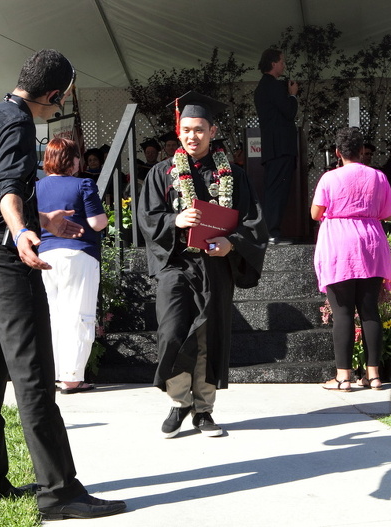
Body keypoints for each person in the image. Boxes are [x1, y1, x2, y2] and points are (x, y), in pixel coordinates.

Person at [0, 49, 125, 520]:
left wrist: (42, 219)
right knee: (33, 375)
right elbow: (8, 188)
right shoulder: (17, 121)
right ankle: (60, 493)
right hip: (5, 260)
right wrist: (20, 230)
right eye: (62, 98)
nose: (60, 105)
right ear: (53, 93)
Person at [137, 91, 268, 438]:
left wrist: (232, 243)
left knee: (209, 336)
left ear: (212, 131)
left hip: (215, 266)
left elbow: (253, 222)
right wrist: (175, 221)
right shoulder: (162, 173)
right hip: (176, 264)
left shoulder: (233, 175)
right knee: (172, 332)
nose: (192, 136)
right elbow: (147, 218)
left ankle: (204, 410)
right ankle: (180, 401)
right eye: (186, 129)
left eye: (199, 129)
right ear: (178, 131)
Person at [311, 127, 391, 391]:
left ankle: (343, 377)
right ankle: (374, 376)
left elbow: (316, 213)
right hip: (371, 242)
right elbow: (389, 213)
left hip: (339, 244)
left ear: (337, 152)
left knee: (343, 312)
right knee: (370, 310)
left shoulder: (329, 177)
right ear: (362, 151)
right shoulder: (378, 176)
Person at [36, 137, 108, 395]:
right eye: (77, 157)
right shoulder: (83, 184)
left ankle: (55, 374)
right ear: (72, 160)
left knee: (53, 316)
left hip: (45, 255)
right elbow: (98, 222)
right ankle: (72, 378)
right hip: (79, 255)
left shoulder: (36, 187)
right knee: (79, 315)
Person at [254, 48, 298, 244]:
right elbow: (289, 112)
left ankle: (270, 231)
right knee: (276, 191)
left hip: (273, 148)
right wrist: (293, 95)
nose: (284, 65)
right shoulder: (273, 85)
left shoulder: (263, 86)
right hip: (280, 147)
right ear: (273, 63)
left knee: (274, 189)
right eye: (282, 61)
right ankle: (271, 232)